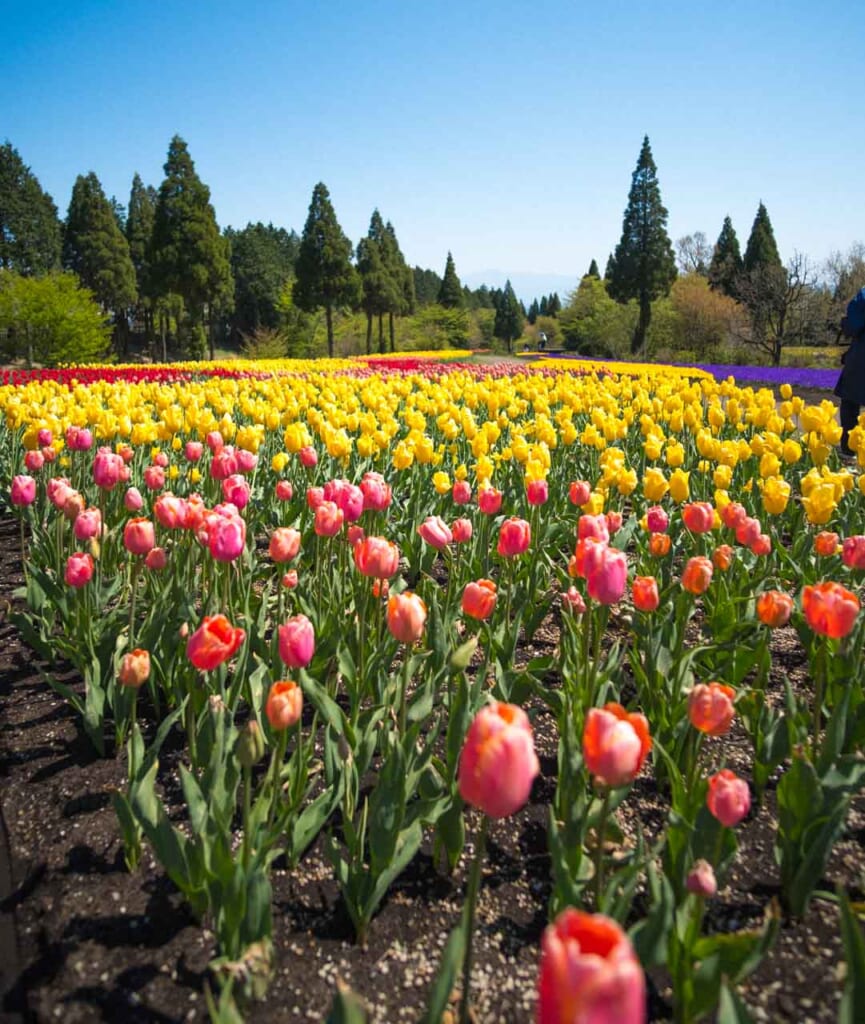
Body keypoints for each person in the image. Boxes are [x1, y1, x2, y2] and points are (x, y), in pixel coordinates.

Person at [834, 286, 865, 460]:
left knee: (850, 403)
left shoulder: (863, 295)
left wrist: (845, 324)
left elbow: (853, 325)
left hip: (861, 358)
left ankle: (848, 451)